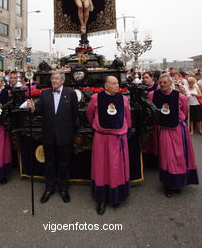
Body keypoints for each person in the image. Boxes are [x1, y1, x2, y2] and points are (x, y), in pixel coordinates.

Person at [27, 72, 78, 203]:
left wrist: (72, 133)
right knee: (49, 163)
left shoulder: (71, 94)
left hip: (64, 135)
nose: (54, 81)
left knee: (64, 163)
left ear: (62, 81)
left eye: (56, 79)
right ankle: (49, 188)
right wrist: (32, 108)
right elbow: (38, 110)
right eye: (52, 79)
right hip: (48, 135)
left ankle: (63, 188)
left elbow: (74, 115)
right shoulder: (45, 93)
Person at [86, 76, 132, 215]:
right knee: (101, 168)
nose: (117, 85)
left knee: (116, 168)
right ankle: (101, 199)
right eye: (113, 83)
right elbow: (90, 114)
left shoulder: (123, 99)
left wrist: (127, 129)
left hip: (118, 139)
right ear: (106, 86)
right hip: (102, 138)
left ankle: (116, 196)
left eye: (117, 83)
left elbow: (128, 116)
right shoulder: (95, 98)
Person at [148, 73, 199, 197]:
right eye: (160, 83)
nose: (162, 85)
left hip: (178, 130)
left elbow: (185, 112)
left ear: (171, 83)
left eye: (165, 82)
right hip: (164, 130)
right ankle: (168, 184)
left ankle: (179, 182)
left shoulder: (180, 96)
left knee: (179, 156)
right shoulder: (153, 95)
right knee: (167, 157)